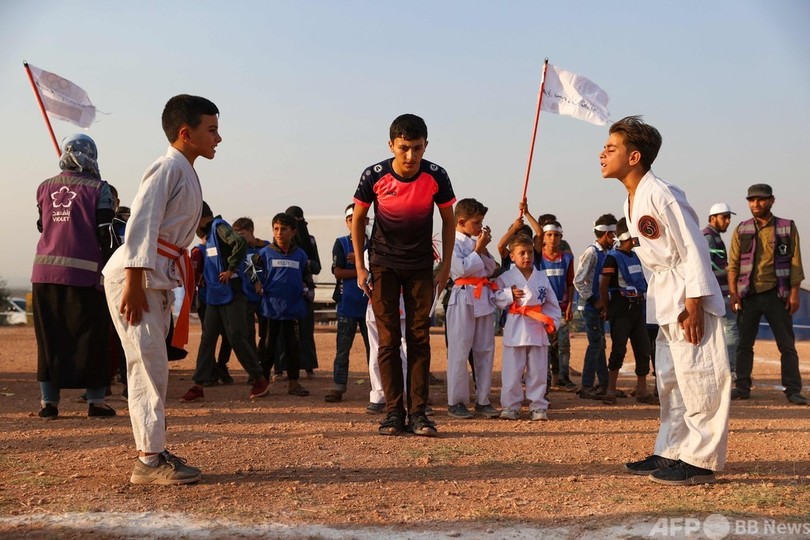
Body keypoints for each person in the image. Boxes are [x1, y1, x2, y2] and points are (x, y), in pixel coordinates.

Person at [601, 115, 730, 485]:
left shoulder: (662, 193)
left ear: (634, 156)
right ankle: (672, 449)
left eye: (611, 148)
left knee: (700, 374)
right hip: (664, 294)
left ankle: (701, 459)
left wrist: (695, 303)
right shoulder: (632, 199)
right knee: (672, 378)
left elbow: (694, 247)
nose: (602, 154)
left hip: (688, 292)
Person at [104, 94, 221, 485]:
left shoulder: (185, 170)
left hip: (155, 275)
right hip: (136, 277)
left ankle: (152, 451)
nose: (218, 138)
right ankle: (149, 462)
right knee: (146, 365)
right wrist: (134, 282)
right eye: (212, 130)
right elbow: (141, 222)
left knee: (154, 365)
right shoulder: (167, 166)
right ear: (186, 133)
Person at [352, 113, 456, 437]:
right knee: (387, 341)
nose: (411, 156)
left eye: (417, 148)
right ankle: (393, 413)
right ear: (391, 145)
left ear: (426, 145)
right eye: (404, 148)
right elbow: (358, 219)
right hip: (383, 264)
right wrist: (361, 267)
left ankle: (419, 414)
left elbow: (449, 220)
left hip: (421, 266)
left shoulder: (436, 176)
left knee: (418, 338)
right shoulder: (374, 175)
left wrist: (446, 266)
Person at [33, 133, 117, 420]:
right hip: (84, 276)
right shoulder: (100, 189)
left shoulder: (44, 187)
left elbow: (42, 225)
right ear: (92, 156)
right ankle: (96, 403)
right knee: (92, 338)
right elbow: (105, 232)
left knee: (49, 339)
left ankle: (49, 404)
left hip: (44, 274)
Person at [179, 203, 270, 402]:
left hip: (232, 293)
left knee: (236, 335)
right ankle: (198, 384)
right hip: (214, 295)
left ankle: (259, 379)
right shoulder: (209, 238)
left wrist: (231, 269)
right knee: (208, 338)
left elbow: (240, 243)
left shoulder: (219, 226)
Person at [727, 184, 807, 406]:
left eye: (761, 199)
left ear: (772, 200)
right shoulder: (741, 229)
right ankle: (742, 387)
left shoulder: (787, 227)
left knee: (786, 345)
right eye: (751, 200)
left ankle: (793, 390)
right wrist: (733, 294)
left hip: (777, 295)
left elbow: (796, 262)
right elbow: (733, 264)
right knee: (744, 345)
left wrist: (794, 293)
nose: (756, 204)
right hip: (748, 295)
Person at [493, 234, 561, 421]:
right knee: (512, 371)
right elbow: (494, 297)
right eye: (521, 253)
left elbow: (551, 303)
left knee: (538, 371)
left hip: (537, 327)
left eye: (530, 252)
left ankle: (538, 406)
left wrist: (552, 322)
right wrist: (508, 294)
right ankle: (510, 406)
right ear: (512, 256)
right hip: (516, 326)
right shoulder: (506, 277)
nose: (527, 256)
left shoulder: (542, 277)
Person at [445, 198, 499, 419]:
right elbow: (461, 270)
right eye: (476, 222)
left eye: (481, 222)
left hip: (482, 296)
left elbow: (491, 268)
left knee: (485, 349)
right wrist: (478, 248)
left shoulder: (476, 243)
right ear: (461, 222)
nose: (480, 227)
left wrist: (481, 248)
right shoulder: (451, 242)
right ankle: (456, 401)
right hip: (462, 296)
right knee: (459, 350)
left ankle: (483, 399)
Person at [598, 217, 657, 404]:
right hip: (620, 307)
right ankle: (611, 390)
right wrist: (607, 308)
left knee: (643, 348)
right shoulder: (613, 258)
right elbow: (603, 285)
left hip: (637, 307)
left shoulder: (637, 256)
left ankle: (642, 390)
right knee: (619, 348)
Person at [254, 212, 312, 397]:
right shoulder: (264, 253)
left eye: (284, 229)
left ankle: (294, 383)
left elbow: (307, 276)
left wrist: (305, 286)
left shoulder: (300, 255)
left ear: (293, 231)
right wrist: (256, 283)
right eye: (276, 229)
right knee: (267, 347)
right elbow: (250, 268)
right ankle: (262, 383)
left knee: (292, 347)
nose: (279, 233)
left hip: (292, 309)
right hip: (270, 309)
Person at [325, 204, 371, 403]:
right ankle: (338, 386)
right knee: (343, 350)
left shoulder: (375, 244)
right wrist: (363, 270)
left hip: (371, 307)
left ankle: (378, 388)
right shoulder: (341, 243)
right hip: (347, 305)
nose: (355, 222)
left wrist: (361, 264)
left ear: (366, 221)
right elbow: (338, 272)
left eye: (359, 218)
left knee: (374, 350)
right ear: (346, 222)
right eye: (351, 219)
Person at [573, 213, 618, 403]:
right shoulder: (591, 253)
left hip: (601, 306)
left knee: (600, 344)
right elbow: (578, 280)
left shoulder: (608, 253)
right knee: (595, 344)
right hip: (590, 306)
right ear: (607, 234)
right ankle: (586, 385)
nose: (615, 238)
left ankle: (604, 384)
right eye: (613, 234)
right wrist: (594, 301)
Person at [537, 219, 577, 391]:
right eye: (549, 235)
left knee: (563, 344)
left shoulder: (567, 258)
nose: (553, 238)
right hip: (543, 310)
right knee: (545, 346)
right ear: (544, 237)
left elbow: (570, 283)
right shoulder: (538, 258)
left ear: (561, 237)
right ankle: (544, 379)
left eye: (556, 235)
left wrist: (570, 305)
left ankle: (562, 377)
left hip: (561, 308)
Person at [702, 203, 739, 377]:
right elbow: (705, 267)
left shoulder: (713, 236)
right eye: (724, 217)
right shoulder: (709, 237)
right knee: (731, 328)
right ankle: (730, 369)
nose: (728, 221)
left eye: (729, 217)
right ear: (713, 218)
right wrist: (731, 270)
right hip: (717, 293)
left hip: (717, 292)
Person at [233, 216, 270, 380]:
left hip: (265, 298)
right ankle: (254, 372)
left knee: (267, 335)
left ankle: (264, 366)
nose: (239, 238)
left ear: (251, 231)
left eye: (242, 234)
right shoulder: (238, 250)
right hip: (246, 298)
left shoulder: (266, 247)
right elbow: (247, 268)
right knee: (248, 335)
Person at [285, 205, 321, 377]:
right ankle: (281, 368)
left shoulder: (310, 241)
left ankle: (308, 367)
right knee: (284, 332)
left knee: (306, 331)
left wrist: (304, 261)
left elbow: (317, 267)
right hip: (286, 292)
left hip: (306, 293)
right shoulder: (281, 241)